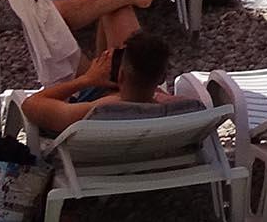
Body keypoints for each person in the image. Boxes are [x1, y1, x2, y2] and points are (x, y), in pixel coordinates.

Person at [18, 24, 189, 138]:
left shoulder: (95, 112)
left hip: (94, 158)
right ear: (161, 78)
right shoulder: (181, 110)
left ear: (121, 75)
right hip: (146, 145)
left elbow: (30, 105)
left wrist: (86, 80)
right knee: (114, 13)